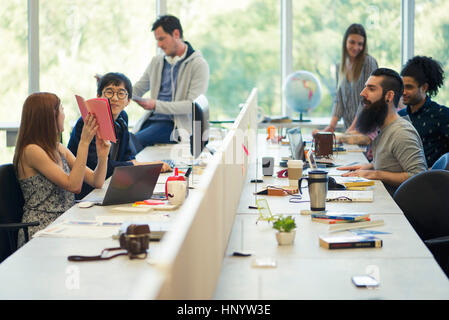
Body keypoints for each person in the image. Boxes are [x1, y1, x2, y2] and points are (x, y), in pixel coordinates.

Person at [13, 92, 109, 242]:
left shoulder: (59, 148)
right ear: (49, 117)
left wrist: (103, 156)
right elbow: (74, 185)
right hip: (42, 228)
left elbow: (96, 181)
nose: (64, 114)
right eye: (62, 109)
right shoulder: (32, 150)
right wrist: (83, 142)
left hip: (64, 223)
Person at [68, 72, 172, 200]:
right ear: (98, 96)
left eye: (121, 93)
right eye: (109, 92)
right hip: (86, 194)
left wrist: (135, 165)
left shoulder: (122, 118)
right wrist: (139, 166)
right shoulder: (88, 122)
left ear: (128, 101)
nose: (115, 98)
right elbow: (96, 166)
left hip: (112, 186)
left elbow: (128, 156)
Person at [338, 68, 427, 195]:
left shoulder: (401, 133)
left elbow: (418, 177)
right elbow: (394, 164)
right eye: (365, 87)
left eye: (371, 88)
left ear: (389, 96)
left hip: (397, 208)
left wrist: (376, 173)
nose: (362, 93)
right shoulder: (385, 127)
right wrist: (372, 166)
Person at [131, 14, 209, 150]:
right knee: (123, 140)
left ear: (176, 34)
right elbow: (137, 89)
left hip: (174, 125)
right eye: (157, 40)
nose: (159, 45)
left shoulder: (198, 64)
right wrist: (115, 87)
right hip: (151, 121)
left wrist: (156, 105)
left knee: (132, 143)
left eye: (162, 39)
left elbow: (192, 105)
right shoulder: (156, 62)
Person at [317, 23, 378, 135]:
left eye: (360, 44)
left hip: (365, 130)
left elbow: (367, 100)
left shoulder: (369, 62)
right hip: (349, 129)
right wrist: (331, 126)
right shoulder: (339, 67)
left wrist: (352, 129)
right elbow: (339, 100)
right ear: (345, 42)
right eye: (352, 42)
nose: (356, 47)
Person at [398, 55, 449, 167]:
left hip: (429, 181)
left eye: (409, 87)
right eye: (402, 87)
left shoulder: (442, 115)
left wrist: (438, 171)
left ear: (424, 87)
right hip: (397, 176)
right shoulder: (400, 116)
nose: (403, 92)